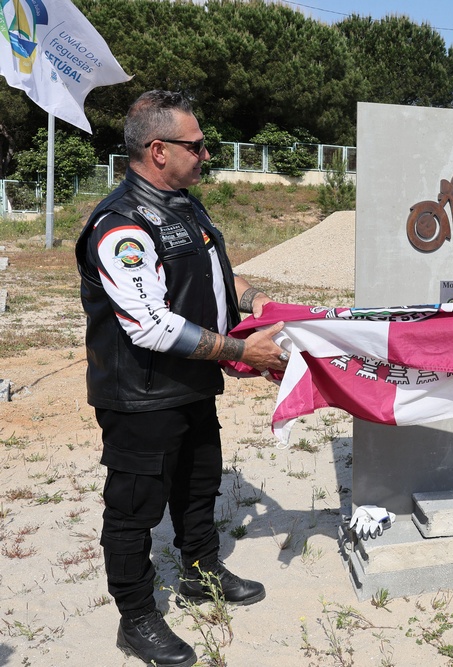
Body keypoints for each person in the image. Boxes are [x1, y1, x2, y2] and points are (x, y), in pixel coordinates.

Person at [76, 90, 287, 666]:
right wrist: (243, 350)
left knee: (199, 484)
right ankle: (137, 616)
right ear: (158, 150)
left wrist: (258, 301)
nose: (207, 154)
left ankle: (200, 570)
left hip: (192, 383)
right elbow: (149, 326)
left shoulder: (186, 205)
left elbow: (214, 275)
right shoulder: (120, 227)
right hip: (139, 394)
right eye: (196, 145)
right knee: (134, 507)